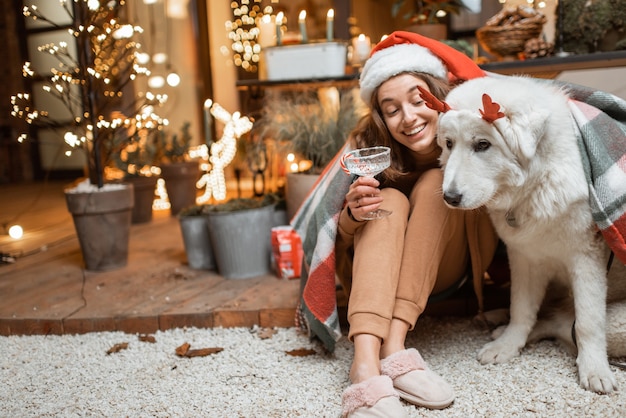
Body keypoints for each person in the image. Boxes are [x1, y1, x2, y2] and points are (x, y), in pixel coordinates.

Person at [334, 32, 499, 417]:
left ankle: (394, 344)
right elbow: (333, 238)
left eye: (418, 100)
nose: (408, 117)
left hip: (447, 266)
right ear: (381, 119)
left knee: (437, 182)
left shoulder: (476, 129)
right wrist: (351, 216)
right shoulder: (365, 146)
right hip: (379, 276)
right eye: (392, 110)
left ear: (440, 97)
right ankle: (365, 365)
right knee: (385, 199)